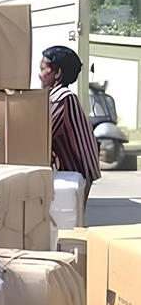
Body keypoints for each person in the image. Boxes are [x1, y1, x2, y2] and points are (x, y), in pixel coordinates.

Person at [39, 45, 101, 201]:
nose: (39, 75)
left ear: (57, 73)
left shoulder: (63, 98)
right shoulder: (54, 96)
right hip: (71, 176)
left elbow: (41, 136)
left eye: (43, 69)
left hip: (74, 176)